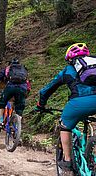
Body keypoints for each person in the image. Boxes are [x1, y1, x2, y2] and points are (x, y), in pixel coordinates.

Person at [34, 43, 96, 173]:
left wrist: (41, 105)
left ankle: (67, 161)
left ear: (69, 58)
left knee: (65, 126)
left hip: (79, 103)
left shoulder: (68, 70)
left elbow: (47, 90)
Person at [0, 58, 31, 126]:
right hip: (22, 88)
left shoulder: (7, 69)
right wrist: (26, 93)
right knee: (20, 106)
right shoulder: (23, 70)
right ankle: (18, 124)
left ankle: (1, 121)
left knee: (2, 102)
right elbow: (27, 83)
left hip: (10, 87)